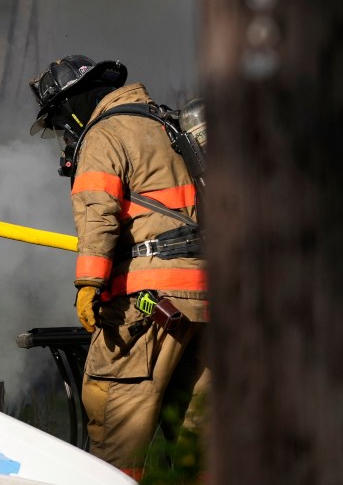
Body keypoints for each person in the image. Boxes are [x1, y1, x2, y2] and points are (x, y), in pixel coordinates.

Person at [27, 54, 209, 480]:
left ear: (74, 105)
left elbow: (98, 214)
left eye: (59, 123)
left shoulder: (105, 134)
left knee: (114, 417)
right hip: (204, 300)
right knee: (196, 434)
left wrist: (88, 284)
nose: (64, 134)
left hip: (150, 301)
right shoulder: (165, 123)